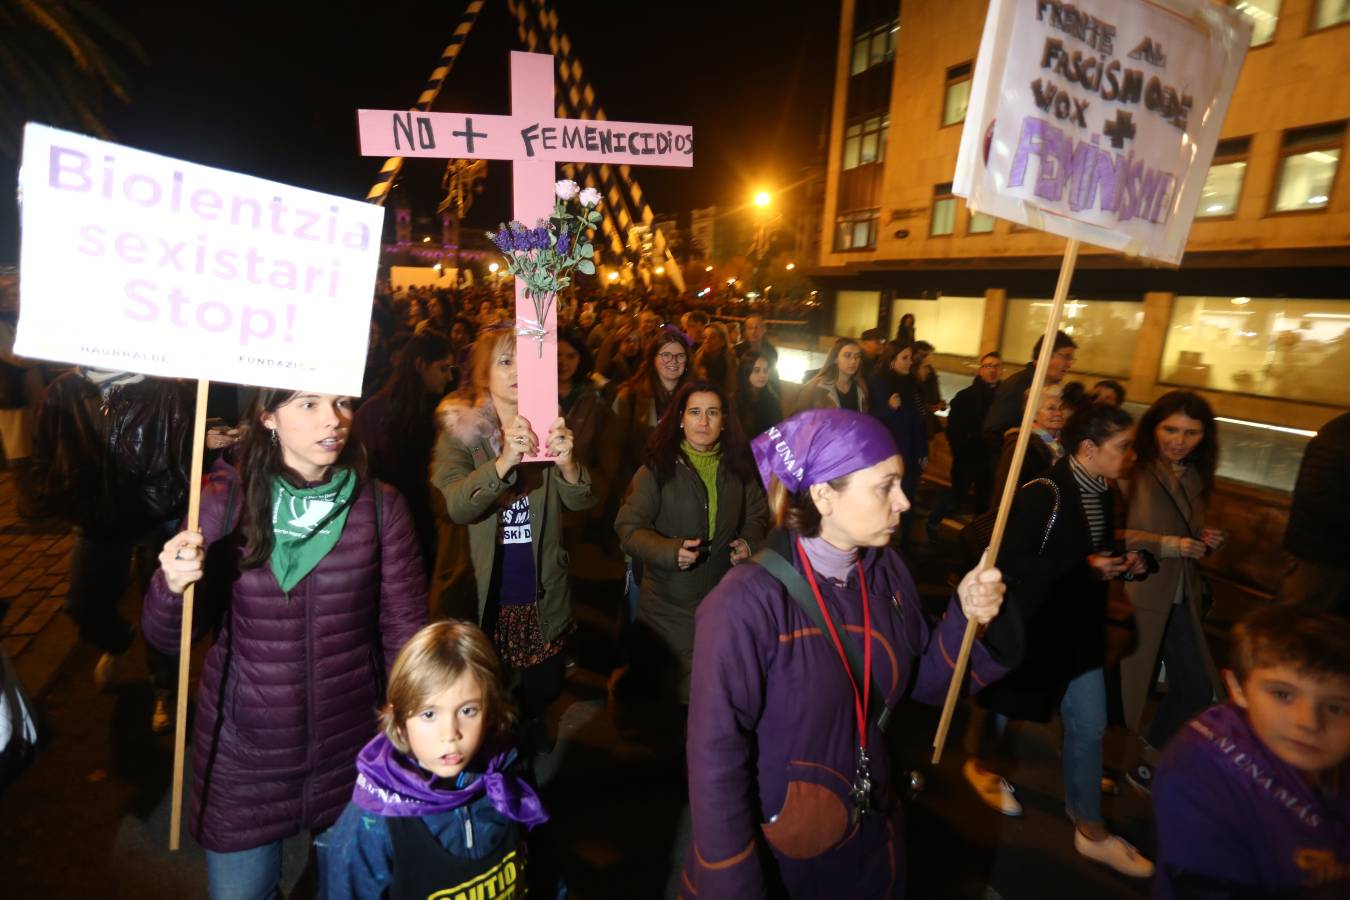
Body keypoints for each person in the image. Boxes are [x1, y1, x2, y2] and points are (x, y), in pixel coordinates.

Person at [681, 409, 1008, 896]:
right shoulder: (744, 603)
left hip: (872, 838)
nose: (904, 501)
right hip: (787, 858)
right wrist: (731, 878)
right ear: (823, 495)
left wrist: (966, 619)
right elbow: (715, 757)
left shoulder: (887, 571)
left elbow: (922, 683)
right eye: (886, 485)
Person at [143, 389, 427, 898]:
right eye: (309, 404)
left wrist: (412, 732)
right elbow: (167, 639)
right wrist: (172, 585)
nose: (334, 420)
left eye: (342, 403)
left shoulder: (381, 506)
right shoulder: (219, 501)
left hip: (351, 749)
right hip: (245, 758)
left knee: (350, 890)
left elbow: (405, 634)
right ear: (268, 416)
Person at [971, 404, 1155, 877]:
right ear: (1088, 449)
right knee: (1005, 705)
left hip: (1079, 631)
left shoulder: (1105, 491)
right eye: (1122, 446)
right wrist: (1084, 568)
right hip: (1034, 627)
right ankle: (983, 767)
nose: (1130, 455)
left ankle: (1089, 825)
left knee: (1089, 725)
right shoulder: (1044, 492)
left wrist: (1127, 562)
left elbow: (1095, 550)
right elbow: (1008, 560)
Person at [432, 325, 595, 748]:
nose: (518, 370)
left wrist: (569, 465)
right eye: (505, 361)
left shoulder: (548, 422)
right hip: (484, 588)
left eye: (525, 359)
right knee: (483, 692)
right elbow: (455, 504)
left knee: (541, 686)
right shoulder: (460, 430)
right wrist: (503, 461)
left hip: (539, 585)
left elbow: (581, 502)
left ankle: (531, 730)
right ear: (484, 372)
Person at [318, 620, 560, 899]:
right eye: (429, 714)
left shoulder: (508, 774)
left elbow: (543, 863)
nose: (450, 734)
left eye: (468, 710)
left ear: (491, 712)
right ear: (399, 724)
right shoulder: (373, 822)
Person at [1152, 604, 1350, 899]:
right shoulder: (1200, 769)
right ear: (1238, 689)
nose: (1308, 722)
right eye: (1282, 694)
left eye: (1336, 707)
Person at [35, 368, 194, 731]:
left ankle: (164, 689)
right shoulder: (63, 392)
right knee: (83, 604)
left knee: (162, 610)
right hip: (95, 521)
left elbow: (185, 461)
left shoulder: (169, 390)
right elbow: (44, 456)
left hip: (159, 519)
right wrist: (63, 499)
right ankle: (119, 640)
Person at [614, 381, 767, 705]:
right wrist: (669, 552)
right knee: (668, 698)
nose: (704, 421)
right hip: (667, 607)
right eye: (695, 412)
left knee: (713, 695)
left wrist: (748, 543)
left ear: (724, 420)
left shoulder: (739, 467)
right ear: (680, 418)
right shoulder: (658, 468)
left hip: (722, 601)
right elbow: (627, 528)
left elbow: (758, 513)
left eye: (713, 413)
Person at [1119, 391, 1228, 794]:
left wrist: (1202, 538)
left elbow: (1184, 530)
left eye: (1191, 432)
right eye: (1171, 429)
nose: (1179, 440)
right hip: (1134, 595)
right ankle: (1105, 764)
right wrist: (1171, 544)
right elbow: (1107, 534)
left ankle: (1148, 760)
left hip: (1180, 595)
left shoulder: (1194, 476)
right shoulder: (1131, 468)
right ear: (1153, 427)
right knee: (1122, 686)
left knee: (1196, 685)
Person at [354, 329, 456, 576]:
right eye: (443, 368)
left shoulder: (444, 408)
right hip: (396, 522)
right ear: (420, 364)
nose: (449, 377)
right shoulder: (376, 411)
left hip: (420, 518)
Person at [1281, 411, 1350, 616]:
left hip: (1327, 553)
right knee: (1297, 622)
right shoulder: (1341, 434)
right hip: (1321, 554)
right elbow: (1317, 496)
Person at [930, 351, 1001, 533]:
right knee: (957, 495)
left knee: (984, 500)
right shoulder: (966, 396)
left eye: (996, 366)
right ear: (980, 370)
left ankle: (976, 539)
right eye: (988, 366)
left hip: (990, 457)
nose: (992, 370)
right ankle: (932, 522)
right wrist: (960, 449)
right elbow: (953, 428)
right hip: (968, 456)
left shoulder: (1003, 397)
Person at [866, 341, 926, 546]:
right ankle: (883, 543)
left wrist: (922, 451)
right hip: (888, 451)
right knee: (886, 497)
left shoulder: (910, 383)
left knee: (908, 495)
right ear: (892, 360)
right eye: (905, 358)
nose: (909, 363)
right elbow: (871, 418)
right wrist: (889, 408)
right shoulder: (877, 381)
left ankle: (905, 543)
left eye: (910, 358)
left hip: (908, 450)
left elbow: (917, 419)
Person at [557, 329, 610, 550]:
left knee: (570, 551)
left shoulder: (592, 397)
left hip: (578, 481)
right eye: (558, 354)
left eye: (571, 356)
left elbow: (602, 446)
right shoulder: (533, 392)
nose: (563, 362)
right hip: (541, 486)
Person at [982, 330, 1077, 451]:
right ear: (1046, 354)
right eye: (1066, 357)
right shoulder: (1017, 385)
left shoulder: (1054, 388)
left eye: (1071, 359)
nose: (1069, 364)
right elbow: (992, 433)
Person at [988, 385, 1067, 513]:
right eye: (1051, 408)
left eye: (1061, 408)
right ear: (1033, 414)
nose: (1058, 413)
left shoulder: (1056, 445)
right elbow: (1006, 491)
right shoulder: (1022, 445)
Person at [797, 337, 868, 413]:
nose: (854, 361)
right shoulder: (815, 387)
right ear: (835, 359)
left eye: (857, 356)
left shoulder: (861, 386)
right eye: (847, 355)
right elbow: (798, 419)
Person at [735, 350, 783, 439]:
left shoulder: (772, 400)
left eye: (765, 370)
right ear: (745, 372)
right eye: (756, 370)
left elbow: (779, 431)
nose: (763, 375)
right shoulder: (735, 401)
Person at [912, 340, 947, 438]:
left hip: (929, 420)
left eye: (930, 354)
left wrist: (940, 403)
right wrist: (930, 407)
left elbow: (935, 393)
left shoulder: (930, 371)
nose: (929, 357)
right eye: (925, 355)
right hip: (916, 420)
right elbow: (913, 400)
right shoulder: (910, 372)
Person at [693, 322, 737, 396]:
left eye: (712, 337)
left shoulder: (731, 360)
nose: (707, 340)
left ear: (723, 341)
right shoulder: (697, 359)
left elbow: (732, 387)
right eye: (705, 337)